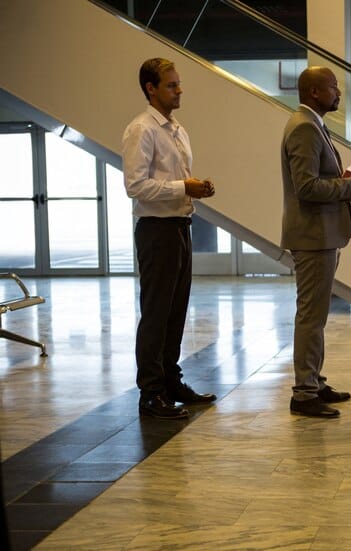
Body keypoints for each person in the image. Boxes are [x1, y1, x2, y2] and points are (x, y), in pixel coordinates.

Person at [123, 57, 218, 419]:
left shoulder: (177, 129)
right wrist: (183, 187)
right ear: (151, 88)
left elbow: (175, 180)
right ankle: (151, 392)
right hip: (156, 230)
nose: (180, 90)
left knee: (176, 311)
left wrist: (197, 188)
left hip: (179, 225)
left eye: (179, 84)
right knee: (157, 313)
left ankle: (170, 381)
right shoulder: (142, 129)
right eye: (172, 85)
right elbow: (136, 186)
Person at [281, 66, 351, 418]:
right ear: (314, 92)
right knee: (311, 317)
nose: (338, 92)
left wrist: (341, 181)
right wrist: (349, 186)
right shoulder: (304, 126)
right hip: (313, 236)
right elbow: (306, 187)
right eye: (333, 87)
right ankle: (303, 394)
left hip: (322, 234)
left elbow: (315, 179)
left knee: (316, 316)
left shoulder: (312, 123)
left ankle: (314, 381)